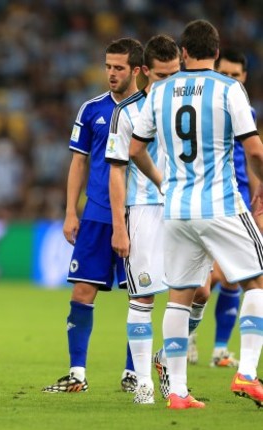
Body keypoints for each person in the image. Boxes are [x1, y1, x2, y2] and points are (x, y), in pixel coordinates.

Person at [130, 19, 263, 409]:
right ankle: (248, 374)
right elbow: (253, 150)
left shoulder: (160, 91)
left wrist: (162, 183)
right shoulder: (230, 88)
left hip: (175, 209)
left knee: (179, 297)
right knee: (257, 282)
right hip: (220, 203)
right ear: (217, 52)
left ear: (183, 53)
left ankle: (178, 393)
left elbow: (136, 149)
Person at [42, 38, 143, 394]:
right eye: (108, 66)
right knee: (82, 291)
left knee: (140, 296)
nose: (111, 73)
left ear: (137, 70)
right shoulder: (91, 109)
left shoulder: (149, 109)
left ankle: (134, 373)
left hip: (140, 214)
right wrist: (71, 212)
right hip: (97, 216)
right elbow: (78, 162)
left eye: (119, 67)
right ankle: (77, 374)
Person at [106, 34, 187, 404]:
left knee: (199, 292)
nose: (170, 82)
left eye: (175, 73)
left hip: (186, 209)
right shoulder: (128, 113)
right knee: (144, 298)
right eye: (162, 75)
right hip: (145, 210)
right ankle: (143, 383)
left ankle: (165, 358)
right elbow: (117, 172)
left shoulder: (189, 107)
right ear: (144, 72)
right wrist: (120, 227)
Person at [187, 48, 259, 368]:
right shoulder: (205, 107)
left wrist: (258, 194)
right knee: (208, 280)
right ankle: (187, 335)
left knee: (234, 277)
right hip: (212, 197)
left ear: (245, 78)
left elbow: (252, 158)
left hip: (240, 196)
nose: (231, 80)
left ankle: (219, 349)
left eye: (236, 75)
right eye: (225, 73)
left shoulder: (249, 112)